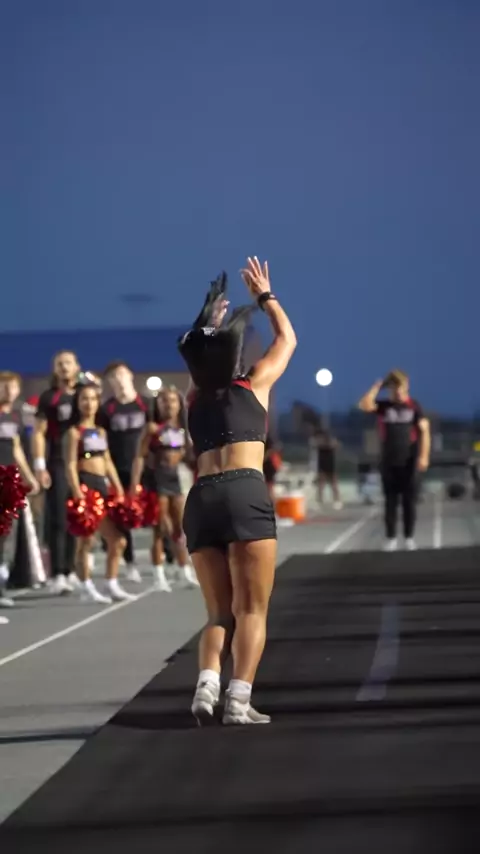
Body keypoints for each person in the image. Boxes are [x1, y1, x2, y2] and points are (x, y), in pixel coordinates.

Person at [178, 257, 296, 726]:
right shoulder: (254, 384)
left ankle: (207, 684)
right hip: (243, 491)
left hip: (202, 497)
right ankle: (238, 701)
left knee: (217, 613)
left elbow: (199, 360)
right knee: (251, 608)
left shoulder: (193, 400)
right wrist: (265, 296)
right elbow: (287, 339)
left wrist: (209, 322)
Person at [65, 383, 134, 603]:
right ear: (77, 403)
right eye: (84, 399)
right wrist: (77, 492)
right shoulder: (74, 433)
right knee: (86, 541)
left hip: (102, 486)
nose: (89, 403)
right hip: (85, 485)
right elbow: (69, 464)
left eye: (93, 399)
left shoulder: (101, 431)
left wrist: (118, 487)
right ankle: (85, 586)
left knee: (118, 540)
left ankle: (111, 583)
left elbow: (107, 460)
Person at [131, 386, 198, 591]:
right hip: (157, 480)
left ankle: (184, 570)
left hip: (175, 480)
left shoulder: (183, 431)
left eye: (173, 401)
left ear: (179, 405)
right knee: (160, 529)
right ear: (158, 405)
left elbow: (189, 458)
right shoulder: (152, 429)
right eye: (164, 401)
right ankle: (158, 574)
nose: (169, 405)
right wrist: (134, 484)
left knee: (180, 528)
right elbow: (139, 457)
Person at [358, 370, 430, 551]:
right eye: (394, 388)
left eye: (401, 387)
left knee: (409, 501)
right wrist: (376, 387)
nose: (398, 392)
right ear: (390, 389)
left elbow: (424, 431)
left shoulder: (414, 407)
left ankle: (409, 537)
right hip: (388, 460)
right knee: (390, 501)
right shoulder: (384, 407)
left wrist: (424, 456)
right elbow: (364, 405)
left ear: (407, 387)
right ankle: (390, 538)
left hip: (409, 460)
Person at [99, 361, 153, 583]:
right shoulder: (107, 410)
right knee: (123, 517)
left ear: (130, 375)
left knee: (159, 515)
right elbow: (101, 442)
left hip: (148, 468)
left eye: (121, 374)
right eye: (113, 377)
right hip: (120, 468)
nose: (119, 380)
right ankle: (130, 563)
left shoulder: (146, 404)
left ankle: (168, 558)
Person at [33, 350, 81, 594]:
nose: (64, 367)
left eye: (68, 363)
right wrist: (40, 466)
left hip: (83, 463)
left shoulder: (85, 394)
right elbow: (39, 433)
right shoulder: (49, 397)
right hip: (59, 462)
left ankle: (72, 569)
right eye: (59, 363)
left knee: (78, 518)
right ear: (54, 369)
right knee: (59, 518)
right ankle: (58, 572)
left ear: (76, 367)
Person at [0, 372, 39, 610]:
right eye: (3, 386)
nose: (8, 391)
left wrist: (29, 477)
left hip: (8, 481)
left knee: (4, 535)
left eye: (12, 387)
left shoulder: (14, 417)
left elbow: (16, 450)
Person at [312, 425, 342, 509]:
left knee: (334, 483)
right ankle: (320, 500)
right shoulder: (318, 442)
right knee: (321, 484)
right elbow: (315, 444)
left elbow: (336, 445)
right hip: (322, 464)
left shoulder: (331, 441)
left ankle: (337, 500)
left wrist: (330, 443)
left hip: (330, 464)